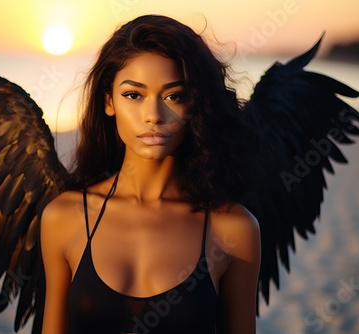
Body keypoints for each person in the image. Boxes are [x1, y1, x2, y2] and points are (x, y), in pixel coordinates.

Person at [40, 14, 261, 334]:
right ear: (108, 101)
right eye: (134, 95)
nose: (154, 116)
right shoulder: (64, 217)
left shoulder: (233, 229)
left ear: (196, 104)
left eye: (174, 95)